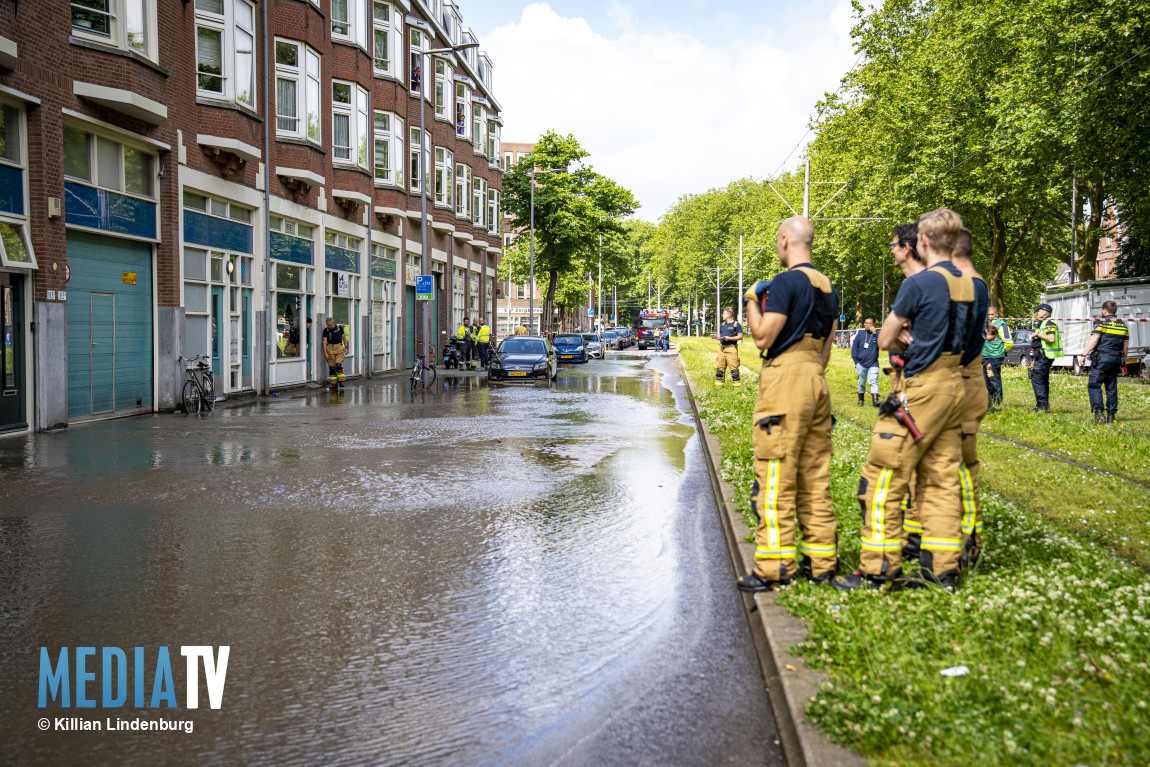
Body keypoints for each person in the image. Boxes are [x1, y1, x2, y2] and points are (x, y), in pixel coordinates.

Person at [834, 208, 974, 593]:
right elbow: (975, 341)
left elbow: (885, 339)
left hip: (920, 387)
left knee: (881, 478)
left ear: (923, 242)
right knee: (942, 482)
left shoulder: (919, 285)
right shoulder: (973, 285)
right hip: (954, 386)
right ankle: (942, 572)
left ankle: (879, 570)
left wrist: (904, 337)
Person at [735, 216, 838, 592]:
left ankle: (774, 568)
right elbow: (827, 348)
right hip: (816, 378)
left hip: (786, 380)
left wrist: (750, 300)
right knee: (815, 476)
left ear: (784, 240)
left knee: (775, 474)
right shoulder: (828, 287)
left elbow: (762, 337)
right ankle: (822, 564)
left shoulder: (784, 282)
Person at [948, 227, 990, 566]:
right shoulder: (974, 283)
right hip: (965, 379)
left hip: (962, 381)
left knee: (962, 466)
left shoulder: (969, 286)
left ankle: (970, 541)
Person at [1082, 300, 1129, 423]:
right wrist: (1123, 363)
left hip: (1102, 359)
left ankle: (1099, 414)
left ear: (1104, 310)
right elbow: (1125, 347)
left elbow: (1095, 339)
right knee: (1111, 387)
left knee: (1094, 385)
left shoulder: (1101, 322)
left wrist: (1084, 354)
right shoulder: (1123, 325)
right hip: (1115, 359)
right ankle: (1111, 415)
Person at [1029, 303, 1061, 412]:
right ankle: (1043, 405)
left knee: (1037, 379)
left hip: (1045, 356)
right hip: (1040, 356)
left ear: (1045, 312)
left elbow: (1051, 339)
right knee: (1042, 380)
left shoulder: (1049, 323)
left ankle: (1042, 406)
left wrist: (1037, 335)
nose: (1037, 312)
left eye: (1039, 311)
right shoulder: (1042, 323)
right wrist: (1034, 360)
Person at [983, 306, 1012, 409]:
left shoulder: (1001, 325)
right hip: (985, 356)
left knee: (995, 381)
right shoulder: (986, 323)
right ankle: (990, 403)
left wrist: (1001, 352)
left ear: (997, 314)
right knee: (987, 382)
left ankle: (998, 403)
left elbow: (1008, 342)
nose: (990, 316)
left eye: (992, 314)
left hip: (995, 357)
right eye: (989, 314)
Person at [711, 307, 744, 389]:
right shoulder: (722, 324)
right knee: (720, 368)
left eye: (724, 314)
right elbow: (720, 335)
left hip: (731, 349)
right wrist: (715, 337)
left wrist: (729, 338)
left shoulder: (736, 324)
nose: (722, 315)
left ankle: (737, 389)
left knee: (734, 370)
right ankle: (718, 388)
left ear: (729, 315)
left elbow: (740, 336)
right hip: (721, 348)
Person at [851, 317, 880, 406]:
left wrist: (875, 334)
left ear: (874, 325)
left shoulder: (877, 335)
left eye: (869, 323)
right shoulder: (860, 335)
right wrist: (856, 362)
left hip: (873, 363)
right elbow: (854, 349)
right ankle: (861, 400)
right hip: (861, 364)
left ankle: (875, 401)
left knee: (873, 381)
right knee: (861, 382)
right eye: (866, 323)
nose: (867, 325)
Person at [322, 317, 348, 390]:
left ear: (333, 323)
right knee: (332, 367)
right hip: (330, 348)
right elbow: (324, 341)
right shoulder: (326, 330)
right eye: (328, 325)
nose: (329, 327)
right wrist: (325, 352)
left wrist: (346, 347)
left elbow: (344, 338)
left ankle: (341, 381)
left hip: (338, 347)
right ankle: (334, 384)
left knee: (338, 364)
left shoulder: (339, 328)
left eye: (330, 325)